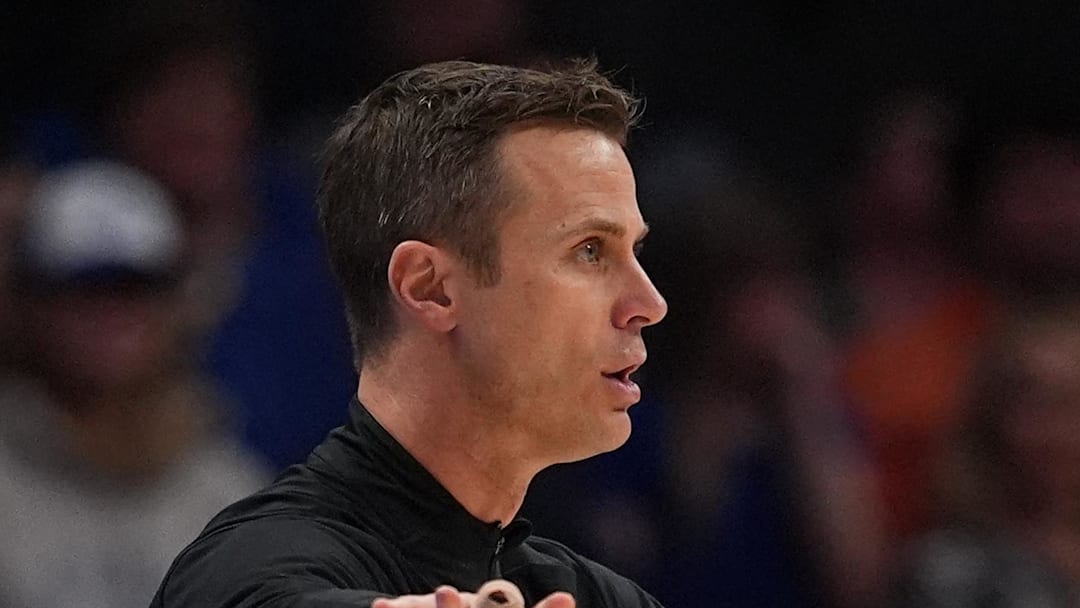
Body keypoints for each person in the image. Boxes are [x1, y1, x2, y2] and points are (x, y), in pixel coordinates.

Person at [151, 59, 668, 608]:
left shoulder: (603, 597)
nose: (649, 304)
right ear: (430, 288)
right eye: (590, 250)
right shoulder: (242, 567)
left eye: (634, 251)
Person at [0, 160, 268, 608]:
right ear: (29, 303)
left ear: (176, 306)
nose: (110, 316)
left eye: (134, 287)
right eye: (82, 287)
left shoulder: (230, 496)